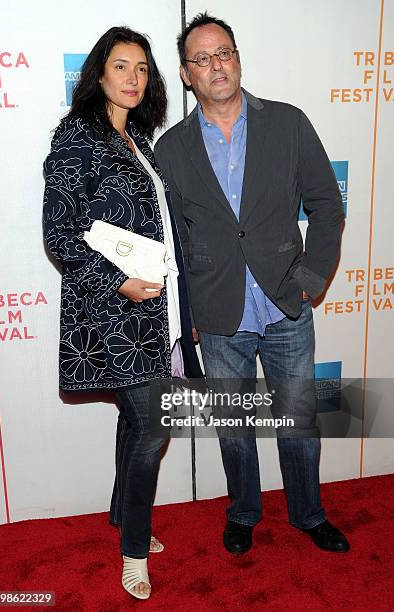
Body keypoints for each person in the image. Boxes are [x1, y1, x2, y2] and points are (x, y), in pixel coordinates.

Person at [155, 13, 350, 556]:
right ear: (186, 75)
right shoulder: (170, 149)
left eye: (225, 53)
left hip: (286, 303)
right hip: (218, 314)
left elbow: (327, 204)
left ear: (237, 58)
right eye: (202, 59)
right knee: (234, 430)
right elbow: (171, 242)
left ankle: (309, 514)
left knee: (298, 424)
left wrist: (313, 276)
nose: (216, 65)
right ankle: (243, 511)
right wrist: (183, 312)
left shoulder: (287, 122)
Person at [43, 26, 202, 600]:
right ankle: (135, 550)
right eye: (120, 67)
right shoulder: (76, 138)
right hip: (112, 314)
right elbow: (60, 236)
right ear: (98, 74)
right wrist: (120, 283)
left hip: (152, 315)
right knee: (152, 425)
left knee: (136, 422)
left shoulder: (137, 137)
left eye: (141, 69)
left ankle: (121, 517)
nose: (132, 79)